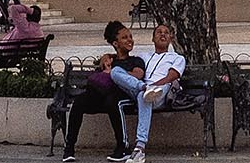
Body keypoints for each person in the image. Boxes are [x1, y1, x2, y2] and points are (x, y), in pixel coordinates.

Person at [60, 20, 141, 163]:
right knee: (79, 102)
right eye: (124, 37)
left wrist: (115, 73)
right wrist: (106, 65)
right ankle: (69, 148)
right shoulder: (109, 60)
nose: (130, 40)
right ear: (115, 43)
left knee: (113, 102)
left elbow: (138, 75)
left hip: (124, 98)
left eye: (130, 36)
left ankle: (123, 147)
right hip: (102, 97)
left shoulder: (135, 61)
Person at [108, 21, 184, 163]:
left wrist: (153, 86)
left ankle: (140, 148)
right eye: (159, 32)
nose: (162, 35)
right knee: (115, 71)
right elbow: (121, 57)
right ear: (153, 38)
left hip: (161, 91)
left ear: (171, 39)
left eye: (166, 33)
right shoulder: (143, 56)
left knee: (146, 96)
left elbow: (171, 77)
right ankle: (143, 88)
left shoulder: (177, 58)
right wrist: (105, 57)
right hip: (141, 89)